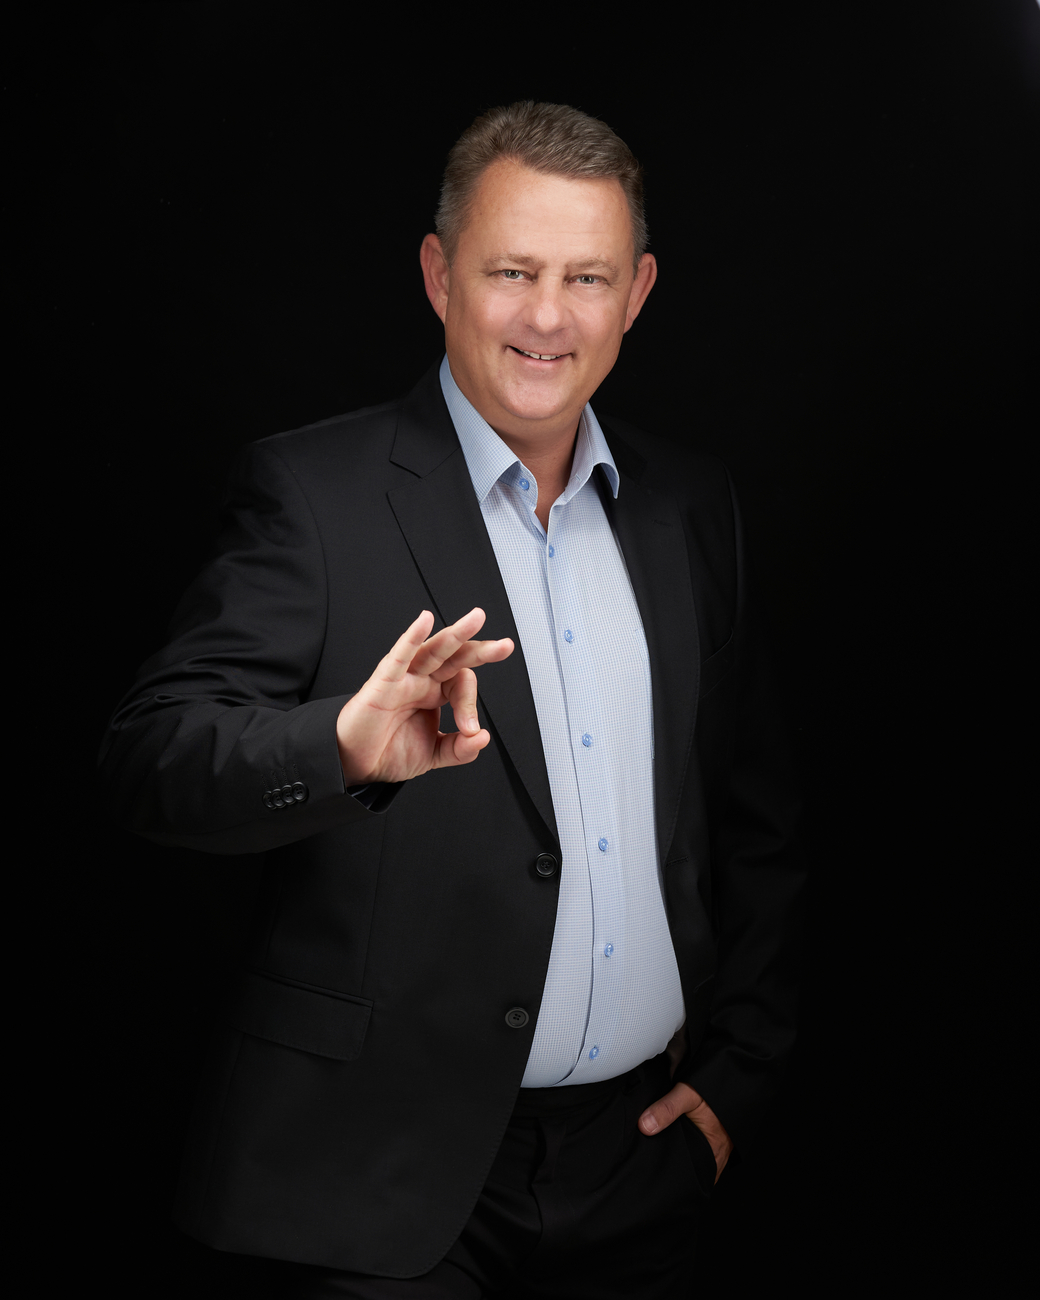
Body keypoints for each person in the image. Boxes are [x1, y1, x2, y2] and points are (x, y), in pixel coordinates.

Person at [101, 101, 804, 1298]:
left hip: (639, 1169)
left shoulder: (690, 507)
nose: (547, 316)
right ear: (438, 276)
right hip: (373, 1177)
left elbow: (751, 818)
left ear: (635, 294)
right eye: (511, 272)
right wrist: (339, 746)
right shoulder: (312, 494)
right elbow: (151, 756)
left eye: (585, 277)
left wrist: (734, 1076)